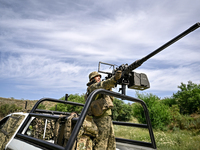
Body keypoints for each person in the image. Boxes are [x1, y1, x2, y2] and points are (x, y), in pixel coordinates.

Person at [86, 71, 122, 150]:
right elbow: (103, 84)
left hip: (107, 117)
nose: (99, 77)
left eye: (100, 76)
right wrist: (114, 78)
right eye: (97, 76)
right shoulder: (92, 87)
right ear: (92, 79)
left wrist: (110, 85)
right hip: (100, 119)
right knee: (101, 143)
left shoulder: (101, 88)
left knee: (111, 142)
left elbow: (111, 98)